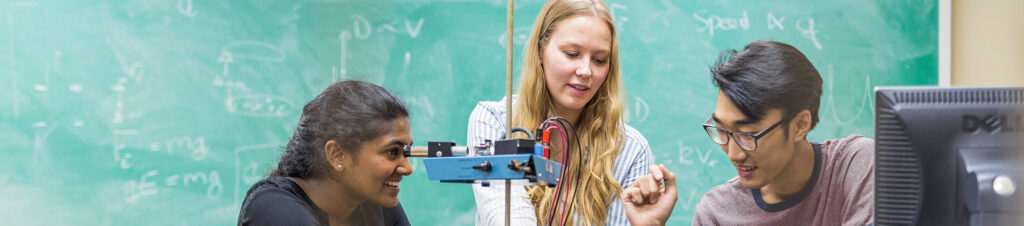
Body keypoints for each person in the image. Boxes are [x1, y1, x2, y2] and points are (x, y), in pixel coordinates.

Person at [468, 0, 660, 225]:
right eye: (571, 54)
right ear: (541, 52)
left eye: (599, 60)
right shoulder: (494, 122)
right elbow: (507, 216)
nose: (586, 71)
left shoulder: (631, 150)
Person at [692, 40, 874, 225]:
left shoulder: (857, 166)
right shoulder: (716, 214)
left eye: (747, 134)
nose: (734, 154)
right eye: (722, 130)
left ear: (800, 125)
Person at [238, 80, 413, 226]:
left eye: (405, 152)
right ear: (337, 155)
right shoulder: (274, 207)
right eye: (392, 152)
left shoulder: (375, 201)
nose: (407, 168)